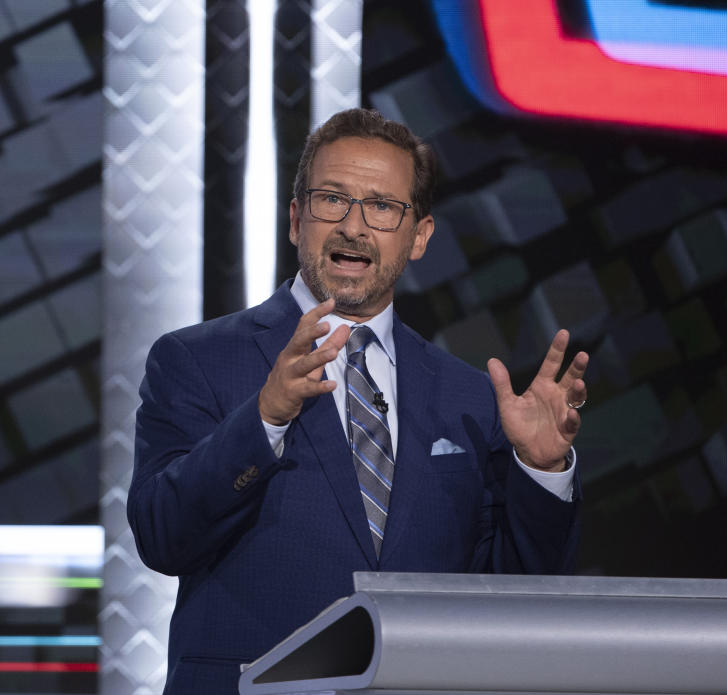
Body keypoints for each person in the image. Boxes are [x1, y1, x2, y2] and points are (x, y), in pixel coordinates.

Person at [128, 108, 589, 695]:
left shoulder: (470, 397)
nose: (354, 226)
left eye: (382, 207)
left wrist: (541, 473)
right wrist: (266, 415)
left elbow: (519, 599)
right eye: (332, 200)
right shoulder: (195, 360)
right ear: (297, 220)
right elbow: (161, 536)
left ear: (418, 236)